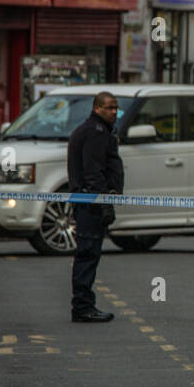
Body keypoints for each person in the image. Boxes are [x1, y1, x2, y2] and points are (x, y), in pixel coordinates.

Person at [67, 91, 125, 323]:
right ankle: (82, 306)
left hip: (89, 200)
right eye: (109, 108)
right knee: (87, 254)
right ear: (97, 108)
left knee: (88, 254)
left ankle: (83, 304)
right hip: (90, 202)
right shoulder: (95, 131)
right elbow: (93, 171)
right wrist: (103, 203)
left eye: (116, 108)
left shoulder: (98, 130)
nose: (114, 112)